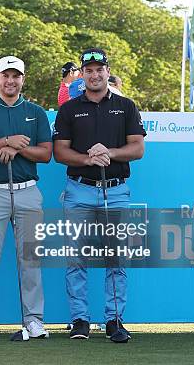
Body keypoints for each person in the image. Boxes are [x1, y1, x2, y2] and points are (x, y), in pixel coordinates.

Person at [53, 48, 145, 340]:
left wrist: (110, 152)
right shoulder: (69, 109)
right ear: (82, 74)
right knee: (75, 257)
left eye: (99, 69)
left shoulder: (126, 106)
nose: (94, 75)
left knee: (116, 258)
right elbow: (59, 152)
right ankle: (79, 320)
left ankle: (114, 320)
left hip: (116, 191)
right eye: (89, 70)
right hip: (79, 189)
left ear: (108, 71)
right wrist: (87, 159)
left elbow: (138, 148)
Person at [0, 56, 52, 339]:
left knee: (30, 259)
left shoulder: (36, 112)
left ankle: (34, 320)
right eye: (6, 75)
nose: (10, 81)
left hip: (28, 191)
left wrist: (17, 148)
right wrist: (5, 141)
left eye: (16, 76)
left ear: (22, 80)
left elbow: (46, 154)